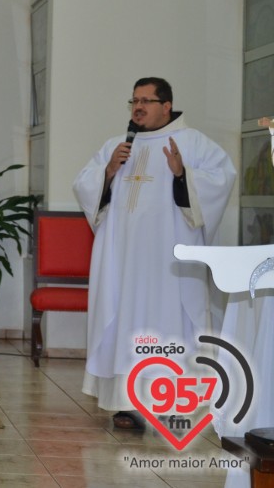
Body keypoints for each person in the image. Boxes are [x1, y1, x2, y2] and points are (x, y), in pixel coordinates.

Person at [72, 77, 235, 430]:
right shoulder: (117, 145)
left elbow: (220, 181)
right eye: (134, 101)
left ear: (167, 105)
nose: (138, 107)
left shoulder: (193, 144)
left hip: (169, 263)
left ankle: (175, 399)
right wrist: (109, 171)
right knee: (124, 321)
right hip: (123, 263)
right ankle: (126, 403)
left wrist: (183, 176)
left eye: (146, 100)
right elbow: (85, 187)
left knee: (170, 325)